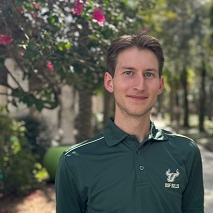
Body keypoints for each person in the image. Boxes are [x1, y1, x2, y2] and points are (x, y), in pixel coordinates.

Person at [55, 32, 204, 213]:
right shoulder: (74, 162)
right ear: (109, 82)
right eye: (128, 72)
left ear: (160, 84)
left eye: (149, 74)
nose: (139, 85)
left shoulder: (187, 152)